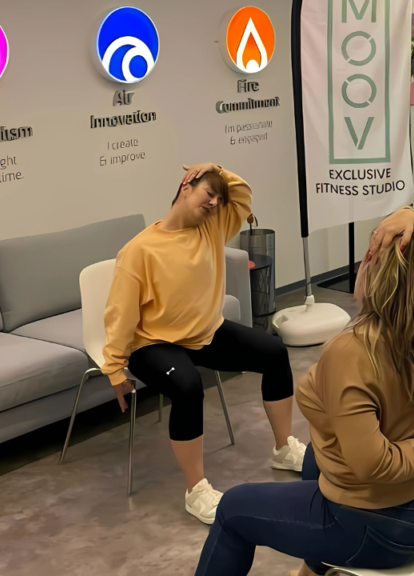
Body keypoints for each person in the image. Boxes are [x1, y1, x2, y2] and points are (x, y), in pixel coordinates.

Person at [194, 206, 414, 576]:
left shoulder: (352, 351)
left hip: (387, 528)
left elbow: (372, 464)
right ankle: (312, 572)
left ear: (375, 273)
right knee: (315, 456)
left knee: (233, 509)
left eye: (367, 256)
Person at [101, 162, 305, 525]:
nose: (214, 203)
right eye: (208, 194)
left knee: (274, 351)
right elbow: (120, 314)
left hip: (204, 333)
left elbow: (243, 196)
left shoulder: (212, 227)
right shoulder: (139, 251)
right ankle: (196, 491)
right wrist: (114, 367)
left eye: (218, 199)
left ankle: (284, 449)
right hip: (151, 343)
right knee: (188, 386)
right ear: (185, 187)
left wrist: (217, 169)